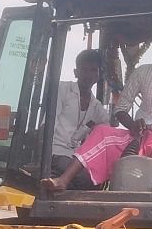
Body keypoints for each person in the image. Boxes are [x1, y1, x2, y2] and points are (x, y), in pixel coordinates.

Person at [43, 26, 152, 191]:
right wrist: (132, 125)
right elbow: (120, 109)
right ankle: (63, 181)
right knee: (102, 131)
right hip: (137, 137)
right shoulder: (143, 72)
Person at [46, 49, 109, 190]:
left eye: (93, 70)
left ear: (99, 74)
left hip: (74, 157)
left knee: (97, 181)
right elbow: (49, 124)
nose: (89, 75)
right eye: (84, 70)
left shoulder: (96, 106)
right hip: (54, 151)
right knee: (84, 178)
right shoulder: (62, 89)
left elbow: (105, 130)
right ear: (76, 72)